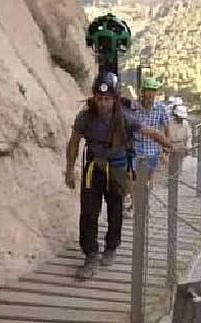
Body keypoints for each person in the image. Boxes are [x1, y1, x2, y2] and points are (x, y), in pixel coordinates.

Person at [65, 72, 172, 279]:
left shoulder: (125, 117)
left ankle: (111, 247)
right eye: (99, 98)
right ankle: (90, 254)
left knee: (115, 210)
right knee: (88, 212)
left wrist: (169, 145)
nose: (103, 103)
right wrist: (70, 170)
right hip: (93, 168)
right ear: (94, 97)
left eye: (107, 99)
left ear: (114, 98)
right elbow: (74, 142)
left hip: (118, 167)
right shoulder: (85, 117)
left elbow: (149, 132)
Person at [132, 77, 171, 183]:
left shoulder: (162, 109)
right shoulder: (133, 106)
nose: (150, 94)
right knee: (134, 180)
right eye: (147, 90)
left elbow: (167, 130)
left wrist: (166, 152)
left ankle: (145, 196)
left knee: (148, 183)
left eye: (152, 91)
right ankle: (133, 197)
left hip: (153, 152)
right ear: (142, 92)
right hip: (135, 151)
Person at [170, 105, 192, 170]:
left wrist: (188, 146)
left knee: (178, 168)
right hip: (170, 146)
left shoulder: (185, 124)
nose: (180, 119)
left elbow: (189, 136)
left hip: (181, 147)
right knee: (171, 168)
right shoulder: (169, 122)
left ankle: (178, 175)